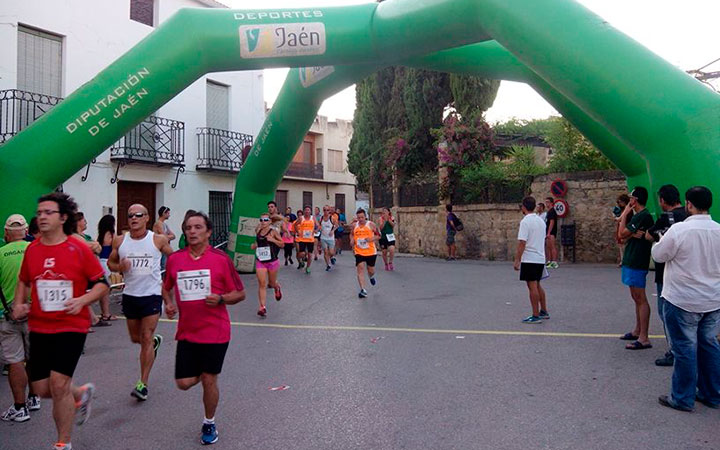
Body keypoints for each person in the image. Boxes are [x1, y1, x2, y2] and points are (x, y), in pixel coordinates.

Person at [11, 192, 108, 450]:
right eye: (39, 212)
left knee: (58, 384)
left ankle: (63, 444)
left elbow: (102, 284)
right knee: (42, 389)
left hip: (71, 326)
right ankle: (81, 393)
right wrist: (19, 303)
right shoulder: (32, 249)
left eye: (48, 212)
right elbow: (24, 279)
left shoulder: (78, 249)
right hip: (40, 327)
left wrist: (83, 301)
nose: (41, 216)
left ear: (63, 217)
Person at [162, 212, 246, 445]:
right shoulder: (176, 259)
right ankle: (206, 371)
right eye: (188, 227)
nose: (192, 231)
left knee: (210, 378)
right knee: (184, 383)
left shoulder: (220, 260)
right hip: (188, 332)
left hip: (216, 331)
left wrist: (220, 298)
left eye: (198, 227)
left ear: (208, 232)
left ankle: (209, 423)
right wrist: (168, 304)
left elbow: (240, 293)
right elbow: (166, 286)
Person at [651, 186, 720, 412]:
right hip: (712, 299)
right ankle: (712, 393)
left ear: (689, 204)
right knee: (709, 346)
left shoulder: (679, 230)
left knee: (685, 349)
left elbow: (659, 255)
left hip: (682, 300)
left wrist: (660, 239)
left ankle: (682, 397)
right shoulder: (718, 230)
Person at [108, 204, 172, 401]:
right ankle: (154, 343)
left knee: (145, 336)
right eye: (130, 215)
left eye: (138, 215)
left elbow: (175, 258)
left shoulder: (157, 239)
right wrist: (120, 266)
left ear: (146, 218)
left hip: (152, 295)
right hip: (131, 296)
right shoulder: (120, 240)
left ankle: (142, 384)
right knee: (136, 338)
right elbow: (111, 262)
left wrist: (170, 288)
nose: (134, 218)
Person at [0, 214, 40, 423]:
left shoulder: (0, 254)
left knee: (15, 361)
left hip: (7, 315)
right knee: (32, 357)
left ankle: (19, 407)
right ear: (25, 232)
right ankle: (34, 398)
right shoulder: (37, 250)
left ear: (6, 233)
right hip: (35, 313)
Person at [645, 185, 687, 367]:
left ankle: (674, 351)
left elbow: (648, 236)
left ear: (662, 200)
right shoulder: (688, 216)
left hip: (666, 274)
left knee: (666, 313)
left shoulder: (665, 219)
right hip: (688, 273)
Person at [617, 187, 655, 350]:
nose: (629, 200)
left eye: (631, 198)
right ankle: (637, 330)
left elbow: (621, 233)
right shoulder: (639, 216)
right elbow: (626, 236)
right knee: (635, 297)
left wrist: (625, 214)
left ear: (635, 200)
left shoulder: (642, 216)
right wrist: (631, 234)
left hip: (637, 261)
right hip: (631, 259)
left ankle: (644, 337)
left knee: (640, 298)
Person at [514, 197, 549, 324]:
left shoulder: (525, 222)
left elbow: (522, 242)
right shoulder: (540, 221)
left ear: (523, 207)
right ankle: (543, 310)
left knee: (532, 286)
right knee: (538, 284)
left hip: (530, 258)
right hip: (540, 257)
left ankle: (535, 314)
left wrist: (517, 260)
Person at [251, 213, 283, 317]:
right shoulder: (258, 231)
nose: (263, 222)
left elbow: (282, 244)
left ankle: (277, 287)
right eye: (261, 220)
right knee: (262, 283)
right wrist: (255, 245)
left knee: (272, 283)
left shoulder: (273, 232)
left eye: (265, 220)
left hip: (272, 261)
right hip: (261, 261)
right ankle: (262, 307)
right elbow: (258, 243)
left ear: (270, 221)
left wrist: (273, 240)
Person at [351, 209, 380, 298]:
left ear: (365, 217)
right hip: (359, 251)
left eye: (362, 217)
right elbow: (352, 234)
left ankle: (371, 276)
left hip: (370, 251)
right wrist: (352, 240)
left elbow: (379, 235)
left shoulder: (371, 225)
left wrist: (372, 239)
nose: (360, 219)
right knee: (360, 268)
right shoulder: (354, 225)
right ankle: (363, 290)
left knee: (370, 270)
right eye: (359, 217)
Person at [95, 215, 118, 323]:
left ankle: (105, 312)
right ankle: (106, 313)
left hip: (101, 261)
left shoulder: (101, 234)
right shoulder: (110, 234)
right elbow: (115, 245)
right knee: (107, 289)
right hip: (107, 262)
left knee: (105, 288)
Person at [294, 206, 318, 274]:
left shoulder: (312, 218)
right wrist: (298, 232)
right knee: (302, 254)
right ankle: (301, 259)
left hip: (310, 239)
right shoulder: (301, 218)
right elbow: (295, 225)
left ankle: (308, 267)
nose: (307, 211)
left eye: (308, 210)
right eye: (306, 210)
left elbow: (318, 225)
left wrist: (316, 230)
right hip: (302, 239)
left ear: (310, 211)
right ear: (304, 211)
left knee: (310, 255)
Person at [614, 194, 632, 267]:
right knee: (621, 245)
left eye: (620, 202)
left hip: (625, 226)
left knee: (625, 244)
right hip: (621, 226)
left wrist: (615, 217)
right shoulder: (622, 209)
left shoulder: (627, 209)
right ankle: (622, 260)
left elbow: (620, 219)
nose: (619, 203)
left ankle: (625, 260)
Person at [319, 206, 338, 271]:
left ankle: (332, 257)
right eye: (324, 210)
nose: (326, 211)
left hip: (330, 238)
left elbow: (337, 225)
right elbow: (319, 225)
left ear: (329, 211)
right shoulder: (321, 218)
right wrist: (319, 229)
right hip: (323, 238)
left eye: (327, 210)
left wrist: (332, 231)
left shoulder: (332, 218)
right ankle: (328, 265)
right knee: (325, 252)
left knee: (331, 252)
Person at [544, 197, 559, 268]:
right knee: (548, 247)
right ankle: (549, 261)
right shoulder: (548, 212)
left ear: (551, 203)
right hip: (547, 232)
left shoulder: (552, 211)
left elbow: (552, 222)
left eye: (548, 202)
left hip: (551, 232)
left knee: (552, 246)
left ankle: (554, 262)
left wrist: (549, 232)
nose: (546, 203)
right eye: (546, 202)